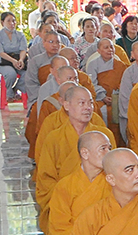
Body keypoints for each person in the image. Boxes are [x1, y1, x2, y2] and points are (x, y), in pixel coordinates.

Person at [35, 86, 111, 223]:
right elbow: (45, 179)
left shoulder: (104, 135)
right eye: (82, 103)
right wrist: (66, 199)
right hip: (64, 203)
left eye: (90, 103)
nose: (88, 108)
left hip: (102, 203)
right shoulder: (54, 138)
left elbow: (114, 170)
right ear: (66, 105)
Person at [0, 11, 28, 99]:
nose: (12, 23)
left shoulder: (20, 35)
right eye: (8, 21)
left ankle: (16, 89)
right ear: (2, 23)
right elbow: (0, 52)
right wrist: (13, 61)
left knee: (29, 74)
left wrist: (21, 60)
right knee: (11, 74)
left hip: (18, 60)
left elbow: (23, 50)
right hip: (4, 61)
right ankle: (9, 94)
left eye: (13, 21)